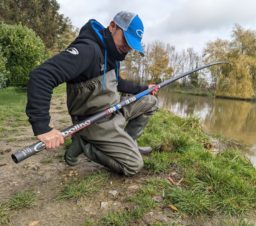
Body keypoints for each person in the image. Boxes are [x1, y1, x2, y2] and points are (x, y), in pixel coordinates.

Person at [26, 11, 159, 176]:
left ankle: (129, 143)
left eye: (132, 45)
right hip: (93, 122)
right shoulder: (88, 50)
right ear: (112, 26)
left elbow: (118, 82)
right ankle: (85, 144)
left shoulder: (113, 53)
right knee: (133, 166)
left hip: (112, 109)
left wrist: (144, 88)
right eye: (126, 39)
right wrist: (42, 126)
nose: (127, 47)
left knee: (150, 101)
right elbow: (42, 76)